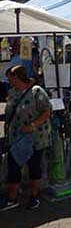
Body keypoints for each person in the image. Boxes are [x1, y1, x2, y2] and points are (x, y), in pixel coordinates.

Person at [0, 65, 52, 211]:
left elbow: (46, 112)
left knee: (34, 167)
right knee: (13, 167)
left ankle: (34, 197)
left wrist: (33, 125)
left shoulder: (37, 92)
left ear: (17, 77)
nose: (7, 80)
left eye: (9, 77)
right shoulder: (12, 92)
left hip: (36, 138)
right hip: (15, 138)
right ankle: (12, 198)